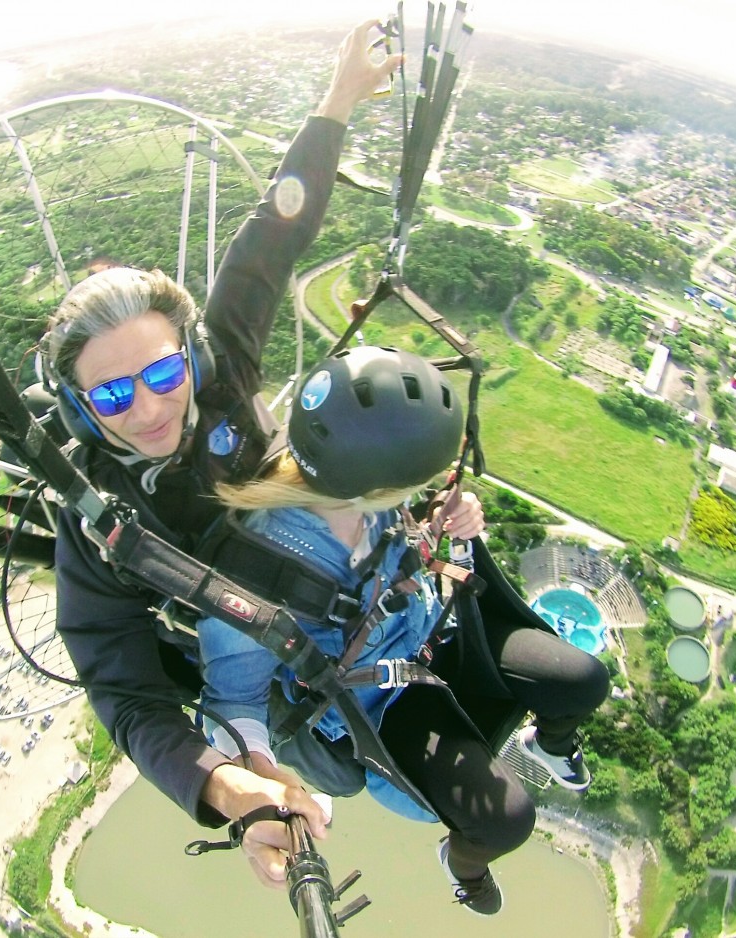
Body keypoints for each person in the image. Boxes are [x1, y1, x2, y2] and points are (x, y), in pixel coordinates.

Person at [45, 22, 402, 886]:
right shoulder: (96, 512)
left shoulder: (222, 362)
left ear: (191, 355)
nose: (152, 406)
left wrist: (340, 100)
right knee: (347, 772)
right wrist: (222, 788)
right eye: (114, 395)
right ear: (83, 411)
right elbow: (122, 687)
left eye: (163, 371)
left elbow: (270, 237)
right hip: (248, 643)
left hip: (317, 553)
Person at [197, 346, 611, 915]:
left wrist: (452, 515)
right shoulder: (265, 566)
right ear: (370, 482)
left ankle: (551, 745)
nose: (426, 485)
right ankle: (463, 869)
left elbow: (410, 530)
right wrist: (259, 787)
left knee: (584, 681)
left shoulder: (357, 478)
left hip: (431, 631)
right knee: (506, 821)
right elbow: (232, 697)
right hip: (381, 699)